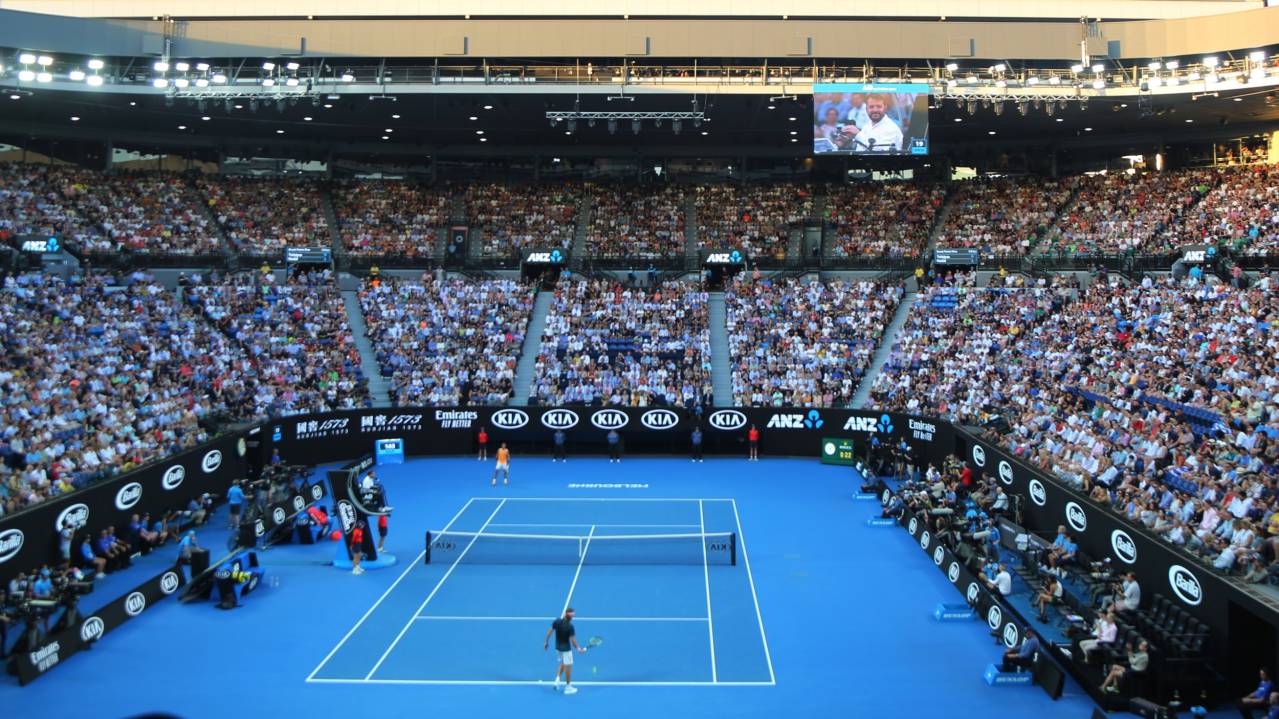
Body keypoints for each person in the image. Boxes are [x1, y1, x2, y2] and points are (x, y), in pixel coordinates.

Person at [836, 93, 903, 152]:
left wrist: (858, 134)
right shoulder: (867, 126)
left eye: (879, 106)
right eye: (871, 107)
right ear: (866, 109)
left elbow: (883, 152)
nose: (875, 110)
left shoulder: (891, 128)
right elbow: (860, 150)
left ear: (885, 108)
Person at [544, 607, 587, 694]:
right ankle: (568, 687)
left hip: (558, 648)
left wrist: (546, 642)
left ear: (564, 614)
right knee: (568, 667)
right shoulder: (570, 627)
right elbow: (573, 641)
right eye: (573, 616)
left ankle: (557, 680)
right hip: (566, 649)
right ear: (570, 617)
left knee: (563, 663)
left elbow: (549, 632)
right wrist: (579, 649)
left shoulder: (557, 621)